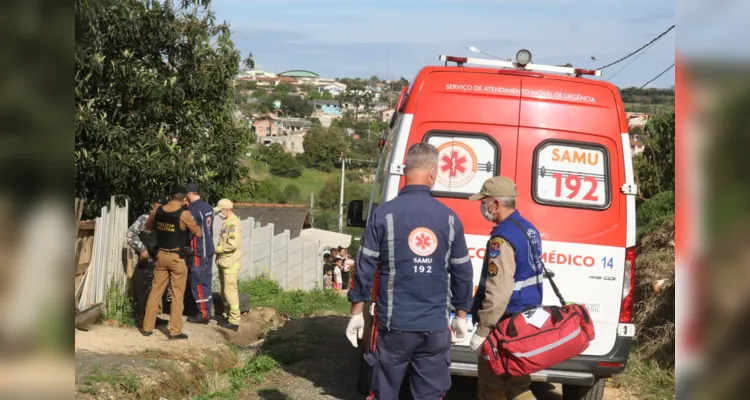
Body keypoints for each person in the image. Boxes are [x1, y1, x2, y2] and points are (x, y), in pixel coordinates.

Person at [346, 143, 474, 399]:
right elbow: (462, 271)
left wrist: (357, 311)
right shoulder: (449, 218)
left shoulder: (383, 214)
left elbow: (365, 264)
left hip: (395, 327)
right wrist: (461, 314)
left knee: (385, 392)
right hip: (434, 328)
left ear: (406, 171)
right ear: (432, 173)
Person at [468, 176, 544, 400]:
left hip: (503, 324)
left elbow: (498, 291)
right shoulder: (528, 229)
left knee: (491, 385)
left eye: (484, 202)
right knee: (518, 383)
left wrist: (483, 330)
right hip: (524, 322)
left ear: (497, 203)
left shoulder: (501, 238)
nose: (483, 207)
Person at [142, 186, 203, 339]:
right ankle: (175, 331)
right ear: (184, 200)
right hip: (177, 258)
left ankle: (147, 328)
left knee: (155, 292)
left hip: (161, 255)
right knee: (177, 295)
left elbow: (148, 227)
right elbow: (198, 233)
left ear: (169, 197)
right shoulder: (184, 214)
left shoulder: (158, 211)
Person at [126, 196, 168, 327]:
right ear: (153, 206)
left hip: (161, 259)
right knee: (144, 288)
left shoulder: (167, 221)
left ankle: (153, 316)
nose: (160, 208)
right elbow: (130, 234)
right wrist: (142, 249)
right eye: (158, 205)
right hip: (147, 260)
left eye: (163, 206)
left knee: (156, 290)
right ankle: (143, 317)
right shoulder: (144, 219)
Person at [185, 183, 215, 324]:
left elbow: (190, 230)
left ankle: (202, 313)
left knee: (198, 281)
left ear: (189, 194)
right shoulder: (208, 207)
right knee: (207, 280)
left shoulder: (192, 210)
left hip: (198, 250)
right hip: (209, 248)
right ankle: (208, 308)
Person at [214, 199, 242, 332]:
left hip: (230, 262)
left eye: (220, 211)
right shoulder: (226, 222)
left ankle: (234, 320)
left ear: (226, 209)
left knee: (230, 291)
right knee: (223, 290)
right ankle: (227, 315)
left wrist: (216, 249)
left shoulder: (233, 224)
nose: (219, 214)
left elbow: (232, 245)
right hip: (223, 262)